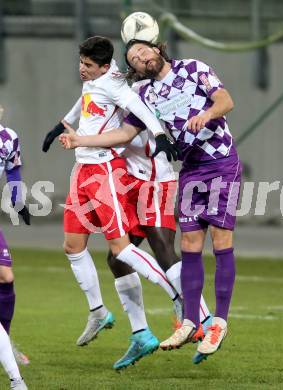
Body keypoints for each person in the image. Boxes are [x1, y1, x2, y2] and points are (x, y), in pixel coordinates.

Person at [60, 39, 242, 364]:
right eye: (134, 57)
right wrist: (78, 139)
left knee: (165, 245)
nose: (142, 57)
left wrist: (206, 115)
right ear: (129, 68)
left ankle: (204, 319)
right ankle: (147, 331)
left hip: (163, 177)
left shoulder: (192, 69)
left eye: (145, 50)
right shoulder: (136, 91)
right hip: (154, 176)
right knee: (120, 259)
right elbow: (123, 129)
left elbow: (225, 100)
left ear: (158, 48)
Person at [42, 36, 181, 368]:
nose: (81, 69)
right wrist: (62, 123)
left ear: (105, 66)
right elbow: (85, 101)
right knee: (72, 246)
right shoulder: (96, 81)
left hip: (105, 170)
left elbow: (141, 109)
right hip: (82, 169)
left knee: (122, 249)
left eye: (88, 65)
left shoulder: (116, 86)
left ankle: (178, 295)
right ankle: (99, 312)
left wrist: (160, 135)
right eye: (80, 63)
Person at [0, 122, 29, 388]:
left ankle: (4, 343)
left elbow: (13, 170)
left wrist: (19, 203)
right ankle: (15, 379)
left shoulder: (8, 137)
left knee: (6, 277)